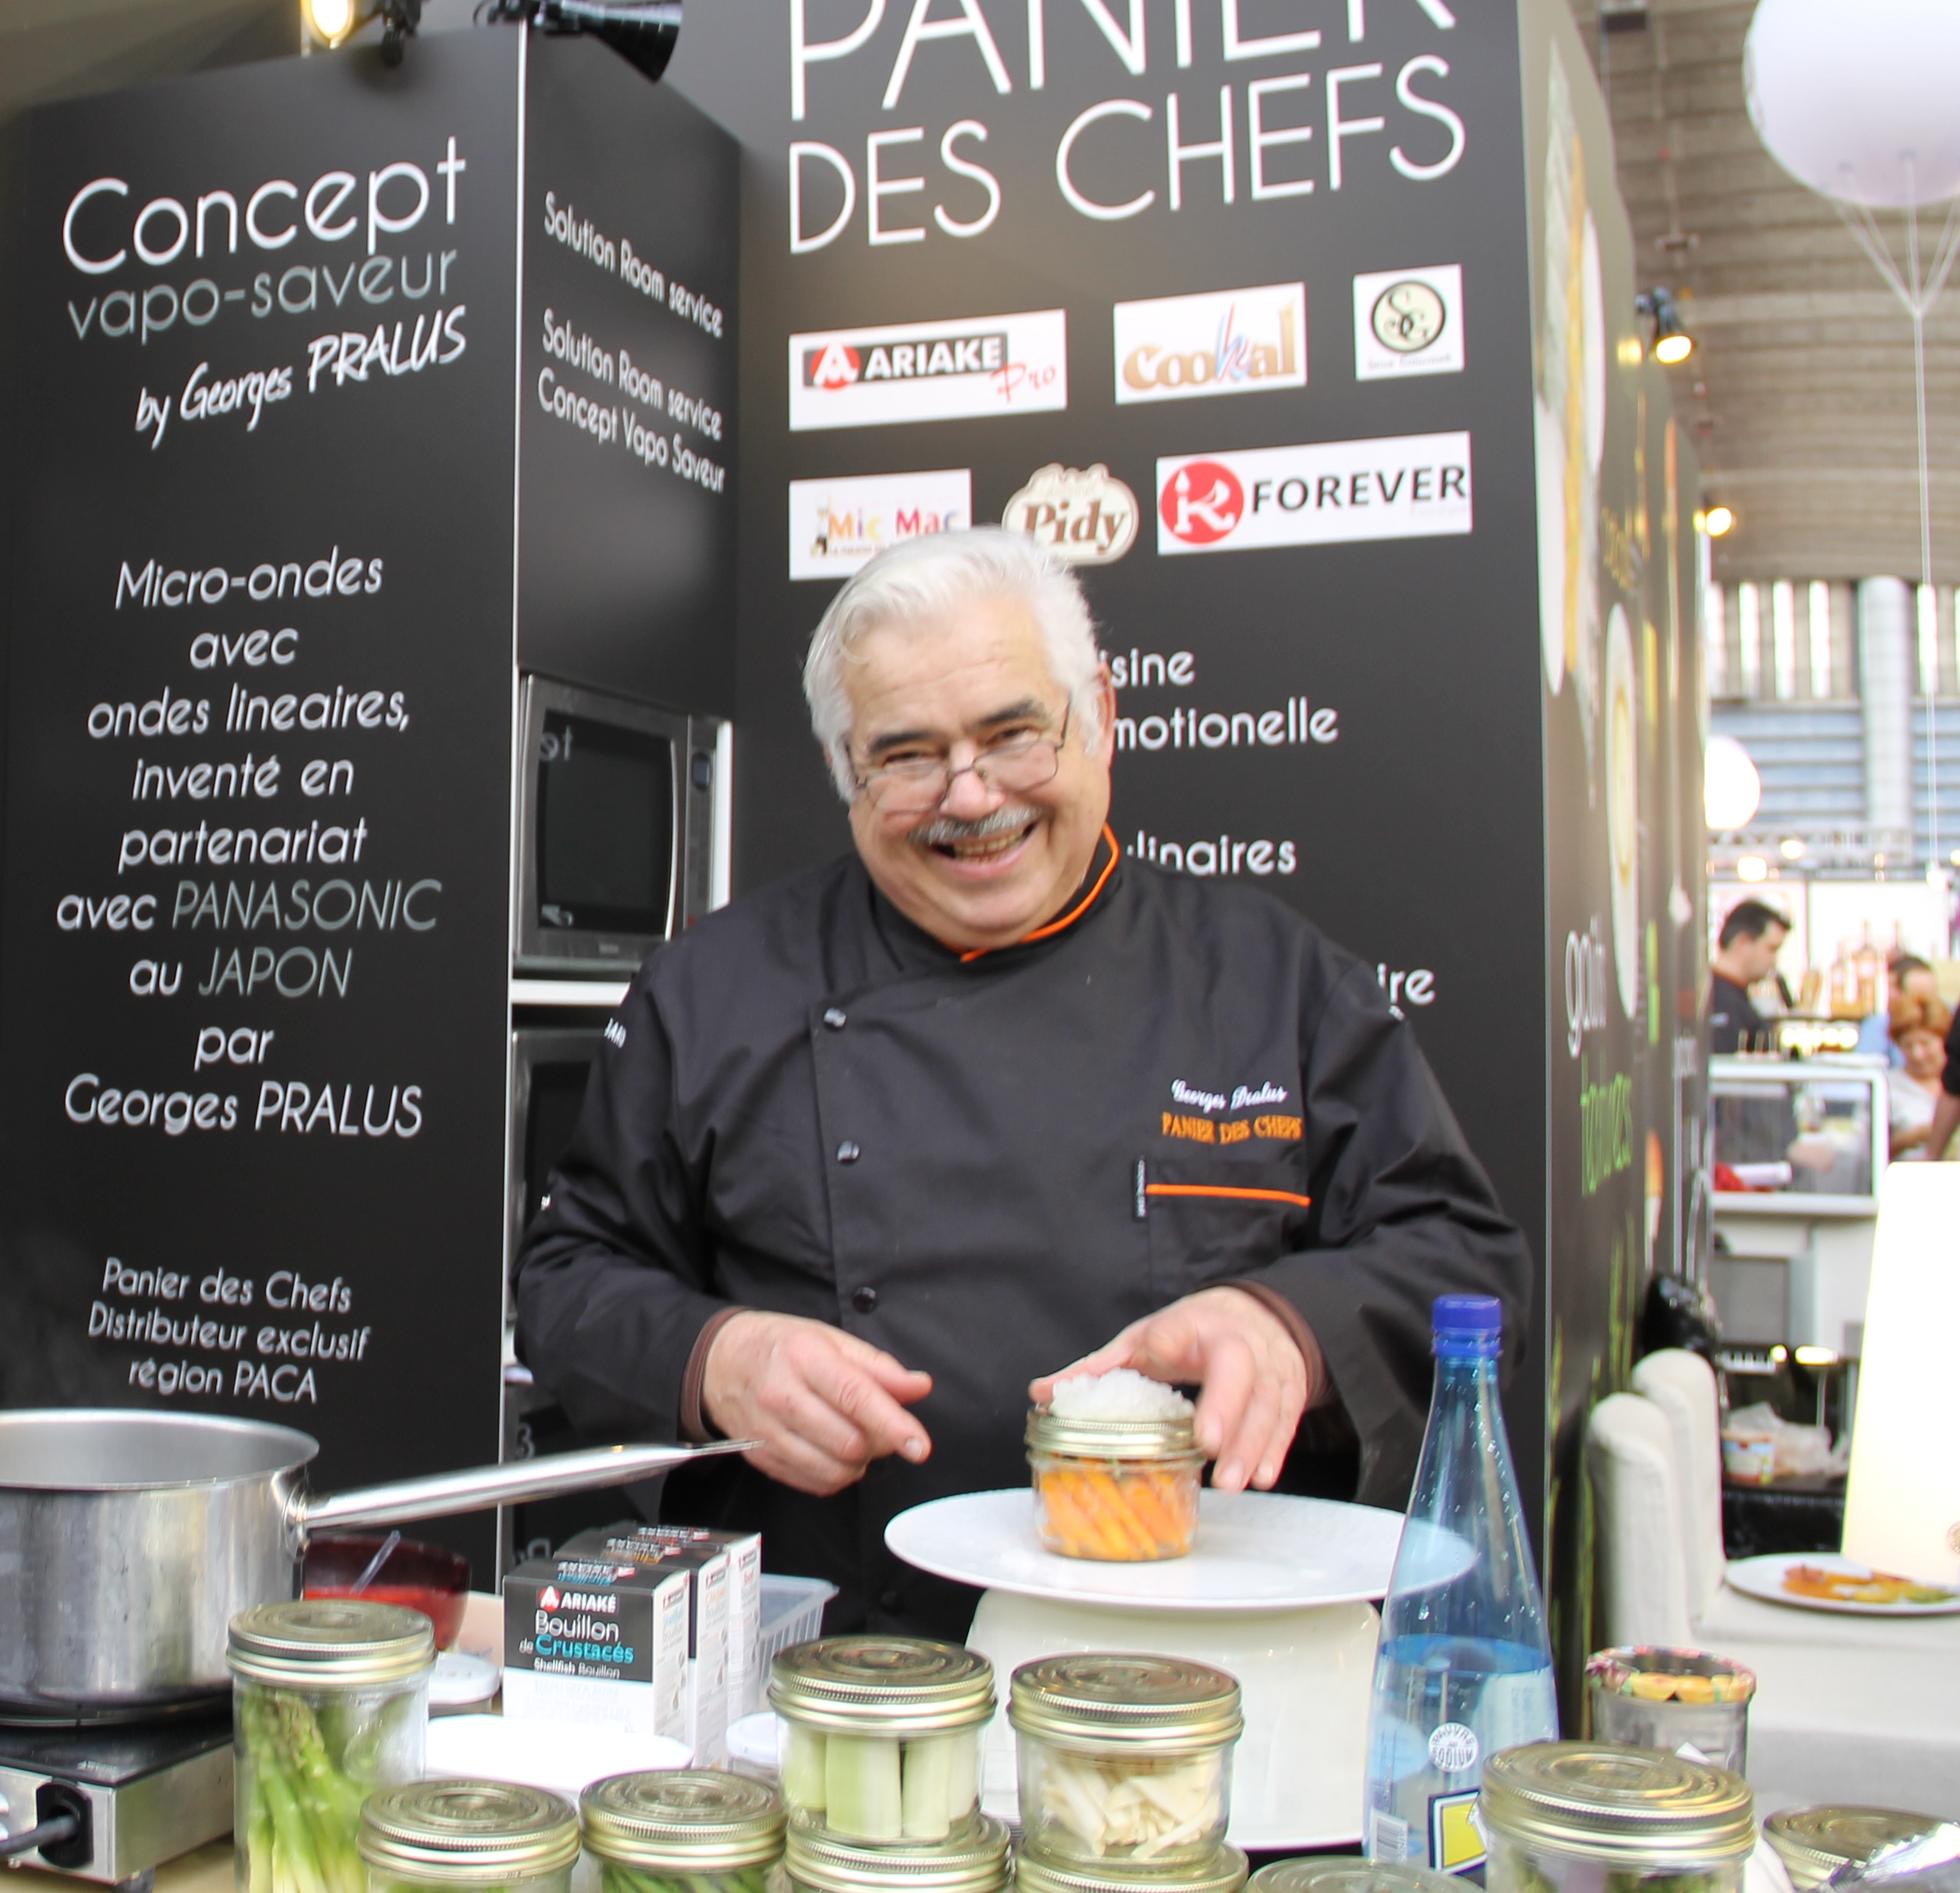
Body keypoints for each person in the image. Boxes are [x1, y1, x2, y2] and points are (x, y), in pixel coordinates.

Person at [514, 529, 1532, 1636]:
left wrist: (1290, 1327)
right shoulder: (713, 991)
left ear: (1100, 715)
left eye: (1011, 734)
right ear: (845, 770)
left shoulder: (1273, 983)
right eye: (908, 755)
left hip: (1202, 1676)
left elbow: (1467, 1260)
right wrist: (715, 1359)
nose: (971, 795)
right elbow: (569, 1283)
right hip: (845, 1680)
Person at [1708, 902, 1789, 1056]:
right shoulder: (1719, 1004)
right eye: (1771, 949)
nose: (1774, 960)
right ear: (1743, 943)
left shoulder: (1727, 997)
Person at [1884, 1006, 1946, 1156]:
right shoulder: (1886, 1086)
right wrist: (1912, 1137)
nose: (1917, 1055)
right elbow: (1866, 1151)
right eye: (1908, 1046)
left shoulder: (1954, 1082)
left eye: (1926, 1044)